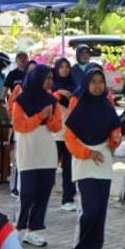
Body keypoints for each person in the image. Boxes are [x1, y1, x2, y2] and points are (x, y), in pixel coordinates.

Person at [64, 66, 122, 249]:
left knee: (101, 212)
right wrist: (88, 153)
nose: (97, 86)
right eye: (93, 82)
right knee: (90, 210)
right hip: (84, 162)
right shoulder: (78, 107)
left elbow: (115, 133)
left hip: (103, 161)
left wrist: (116, 140)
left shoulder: (108, 107)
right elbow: (69, 139)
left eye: (101, 82)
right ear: (86, 84)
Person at [10, 65, 61, 246]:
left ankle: (35, 229)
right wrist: (40, 116)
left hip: (46, 148)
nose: (50, 82)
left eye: (51, 78)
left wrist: (49, 119)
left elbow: (57, 126)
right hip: (28, 147)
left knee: (44, 189)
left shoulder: (52, 101)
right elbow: (19, 125)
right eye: (47, 78)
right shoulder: (21, 101)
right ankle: (19, 226)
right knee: (28, 191)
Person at [51, 57, 80, 211]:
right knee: (50, 166)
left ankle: (68, 198)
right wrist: (57, 93)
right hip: (54, 134)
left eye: (67, 66)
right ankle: (42, 197)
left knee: (69, 167)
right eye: (61, 67)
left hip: (69, 134)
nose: (64, 69)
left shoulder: (75, 87)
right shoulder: (51, 87)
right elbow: (46, 103)